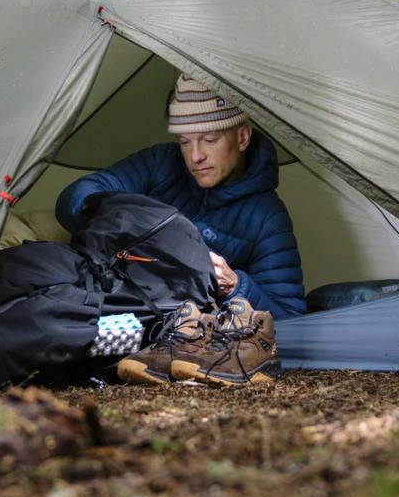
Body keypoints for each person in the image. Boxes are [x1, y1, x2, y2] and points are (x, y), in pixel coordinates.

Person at [55, 75, 306, 321]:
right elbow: (76, 196)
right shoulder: (161, 162)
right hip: (107, 292)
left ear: (242, 137)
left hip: (176, 325)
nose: (195, 157)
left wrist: (234, 285)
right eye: (185, 142)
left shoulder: (267, 217)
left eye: (209, 140)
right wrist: (135, 228)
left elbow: (289, 318)